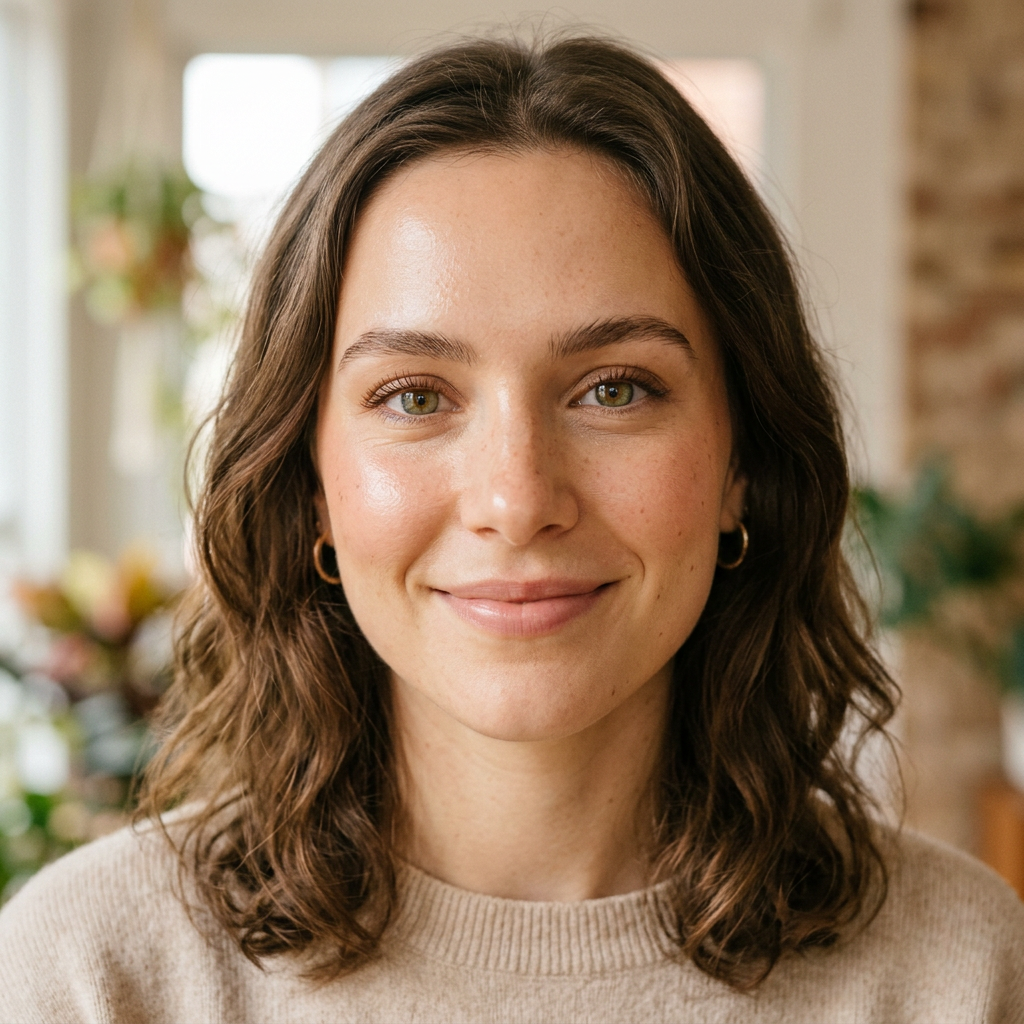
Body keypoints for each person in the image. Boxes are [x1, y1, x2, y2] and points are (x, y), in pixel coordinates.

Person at [1, 33, 1022, 1024]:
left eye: (613, 389)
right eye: (412, 397)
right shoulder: (94, 975)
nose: (516, 496)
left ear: (740, 466)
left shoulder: (956, 973)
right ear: (309, 483)